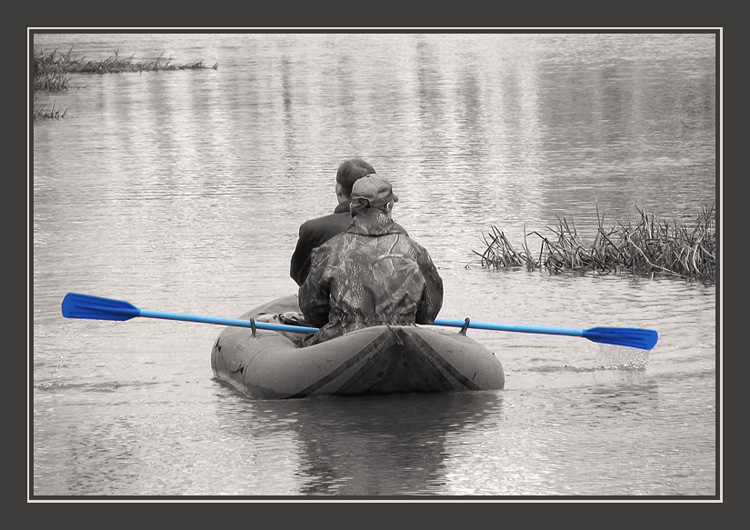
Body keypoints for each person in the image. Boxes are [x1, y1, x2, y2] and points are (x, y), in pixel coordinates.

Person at [298, 174, 443, 346]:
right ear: (389, 206)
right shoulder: (416, 252)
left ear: (353, 207)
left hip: (340, 345)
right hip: (402, 344)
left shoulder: (328, 251)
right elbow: (429, 312)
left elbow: (311, 310)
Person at [289, 158, 408, 286]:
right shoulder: (398, 232)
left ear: (338, 189)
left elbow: (299, 275)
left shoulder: (312, 230)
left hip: (330, 302)